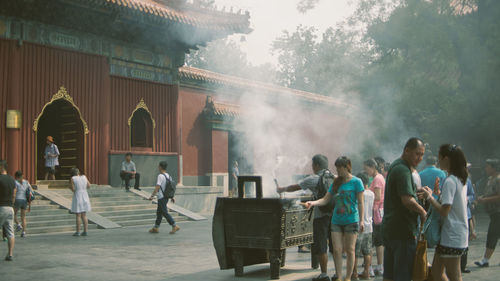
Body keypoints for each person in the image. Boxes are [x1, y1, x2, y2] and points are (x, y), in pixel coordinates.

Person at [277, 154, 334, 281]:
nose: (312, 167)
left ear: (316, 165)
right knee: (335, 245)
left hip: (321, 215)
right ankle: (337, 274)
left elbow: (294, 187)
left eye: (312, 164)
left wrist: (281, 189)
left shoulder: (313, 179)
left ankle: (324, 275)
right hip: (335, 215)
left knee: (321, 245)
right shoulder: (333, 177)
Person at [306, 156, 364, 281]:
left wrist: (362, 220)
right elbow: (326, 199)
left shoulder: (356, 182)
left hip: (351, 220)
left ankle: (348, 277)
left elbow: (360, 203)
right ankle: (339, 276)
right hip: (336, 221)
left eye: (339, 168)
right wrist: (313, 203)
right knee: (337, 250)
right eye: (336, 168)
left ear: (346, 167)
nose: (337, 171)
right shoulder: (336, 182)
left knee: (350, 250)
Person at [419, 144, 469, 281]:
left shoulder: (451, 181)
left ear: (446, 159)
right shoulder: (459, 179)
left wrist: (429, 197)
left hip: (452, 235)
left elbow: (444, 211)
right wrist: (437, 194)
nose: (438, 161)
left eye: (439, 158)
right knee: (436, 271)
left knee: (454, 275)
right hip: (453, 234)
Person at [382, 137, 427, 281]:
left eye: (422, 155)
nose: (419, 158)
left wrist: (417, 190)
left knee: (389, 275)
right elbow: (407, 200)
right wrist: (422, 211)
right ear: (407, 151)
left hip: (390, 229)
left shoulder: (396, 165)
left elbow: (402, 192)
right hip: (403, 231)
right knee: (403, 275)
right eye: (417, 154)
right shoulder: (403, 170)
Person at [474, 158, 500, 268]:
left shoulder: (498, 179)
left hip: (498, 212)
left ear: (493, 168)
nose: (485, 168)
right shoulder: (490, 179)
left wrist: (485, 200)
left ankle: (485, 260)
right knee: (494, 234)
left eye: (487, 166)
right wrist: (483, 198)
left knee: (492, 234)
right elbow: (490, 193)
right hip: (493, 212)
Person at [363, 159, 386, 276]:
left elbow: (377, 197)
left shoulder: (377, 179)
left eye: (366, 168)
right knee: (379, 242)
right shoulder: (381, 177)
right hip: (380, 213)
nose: (365, 171)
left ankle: (370, 268)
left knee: (371, 242)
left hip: (375, 213)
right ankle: (380, 266)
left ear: (372, 167)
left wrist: (366, 194)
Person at [148, 161, 180, 234]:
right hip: (166, 197)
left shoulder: (160, 176)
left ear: (160, 167)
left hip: (161, 197)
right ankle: (156, 228)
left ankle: (174, 225)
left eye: (158, 166)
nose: (158, 167)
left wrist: (152, 196)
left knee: (164, 212)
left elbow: (157, 187)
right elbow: (171, 187)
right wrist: (172, 197)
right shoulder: (168, 175)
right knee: (159, 212)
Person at [353, 173, 375, 279]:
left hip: (358, 225)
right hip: (369, 225)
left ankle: (354, 273)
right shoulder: (371, 193)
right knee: (367, 251)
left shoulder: (359, 194)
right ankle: (366, 272)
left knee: (355, 251)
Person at [0, 160, 16, 261]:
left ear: (1, 167)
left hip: (1, 207)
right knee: (10, 232)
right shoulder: (12, 179)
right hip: (10, 208)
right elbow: (14, 194)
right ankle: (10, 254)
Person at [70, 168, 91, 237]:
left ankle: (78, 231)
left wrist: (70, 187)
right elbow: (89, 186)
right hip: (85, 195)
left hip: (78, 195)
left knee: (78, 215)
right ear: (78, 172)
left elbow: (73, 189)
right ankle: (85, 231)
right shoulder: (84, 177)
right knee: (84, 215)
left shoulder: (73, 178)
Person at [13, 171, 33, 238]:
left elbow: (14, 192)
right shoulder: (26, 182)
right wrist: (30, 205)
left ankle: (18, 225)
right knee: (23, 217)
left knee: (13, 214)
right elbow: (30, 193)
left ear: (16, 176)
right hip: (24, 201)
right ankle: (24, 232)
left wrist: (13, 201)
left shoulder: (15, 182)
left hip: (17, 200)